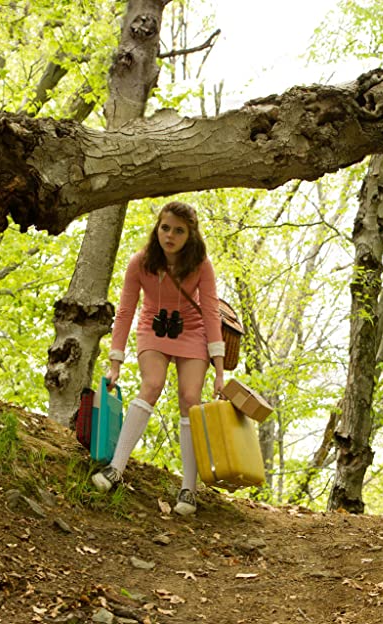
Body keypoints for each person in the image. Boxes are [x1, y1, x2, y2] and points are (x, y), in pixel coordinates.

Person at [91, 200, 225, 516]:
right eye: (165, 228)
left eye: (179, 231)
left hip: (192, 332)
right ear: (157, 228)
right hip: (153, 327)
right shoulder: (140, 262)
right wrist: (115, 362)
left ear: (190, 235)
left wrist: (219, 370)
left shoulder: (201, 264)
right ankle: (115, 469)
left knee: (190, 397)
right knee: (151, 384)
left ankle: (188, 490)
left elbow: (210, 312)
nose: (170, 236)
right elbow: (124, 311)